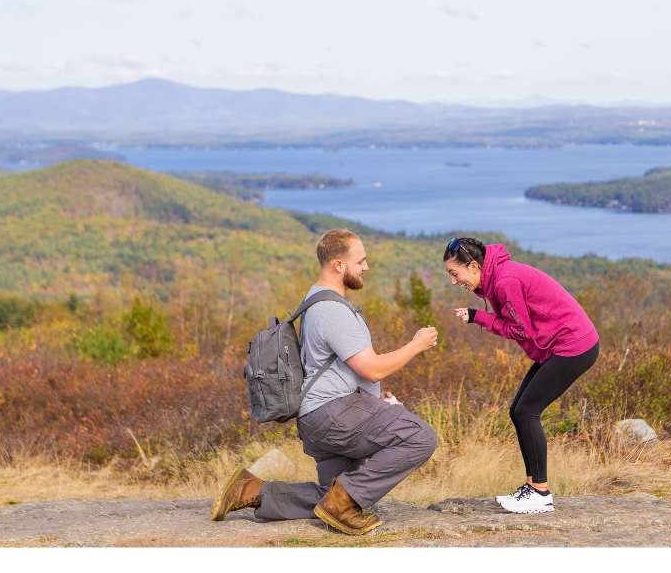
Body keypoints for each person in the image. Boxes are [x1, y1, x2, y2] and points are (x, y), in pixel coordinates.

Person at [211, 229, 439, 536]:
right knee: (421, 437)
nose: (366, 267)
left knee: (330, 494)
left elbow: (333, 366)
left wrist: (371, 398)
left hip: (319, 418)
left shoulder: (314, 298)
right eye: (360, 261)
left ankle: (249, 490)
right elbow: (372, 369)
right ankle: (343, 503)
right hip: (336, 416)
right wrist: (416, 344)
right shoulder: (334, 311)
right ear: (338, 265)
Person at [444, 237, 600, 514]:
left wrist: (478, 316)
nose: (454, 282)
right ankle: (533, 488)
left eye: (455, 274)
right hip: (559, 346)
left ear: (474, 265)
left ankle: (540, 492)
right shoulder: (495, 278)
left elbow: (521, 331)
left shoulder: (505, 282)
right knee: (518, 410)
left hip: (574, 346)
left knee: (527, 411)